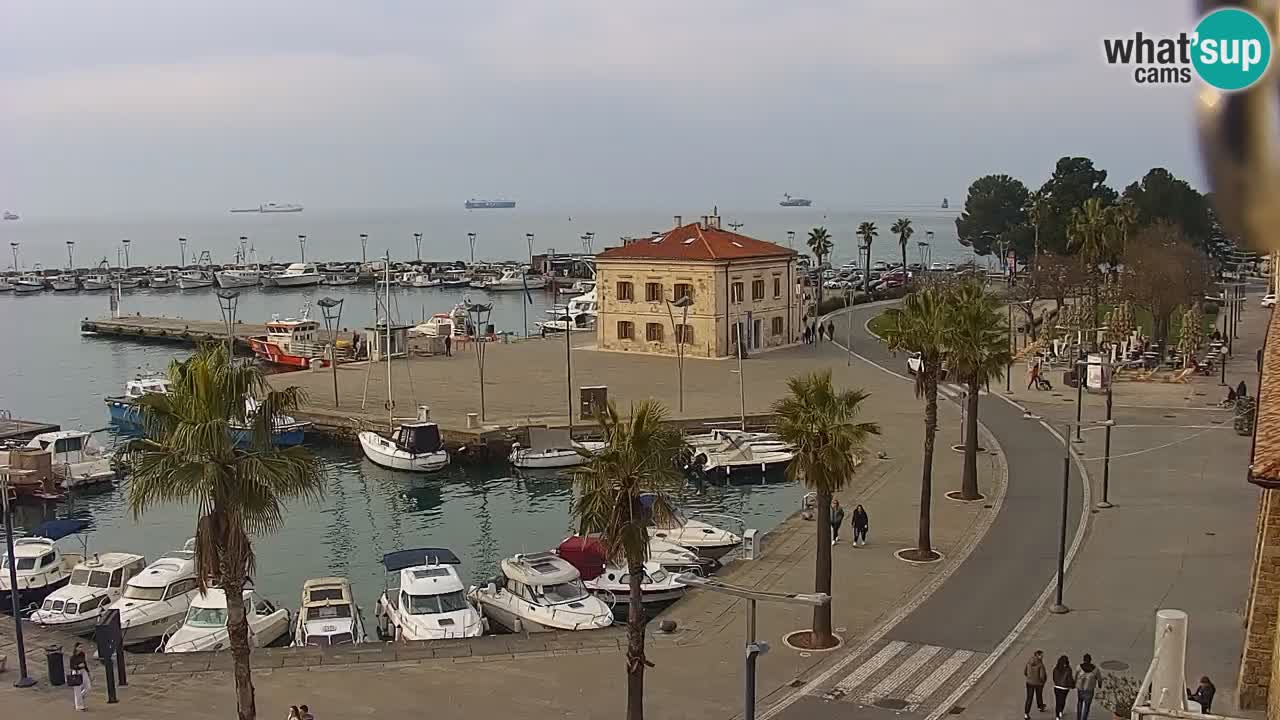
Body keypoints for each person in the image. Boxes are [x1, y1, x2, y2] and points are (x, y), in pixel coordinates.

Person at [1076, 653, 1101, 720]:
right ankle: (1084, 718)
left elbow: (1075, 676)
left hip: (1080, 689)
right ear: (1090, 660)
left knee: (1079, 703)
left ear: (1083, 660)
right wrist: (1099, 685)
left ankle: (1078, 718)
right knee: (1087, 706)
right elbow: (1099, 679)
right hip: (1090, 690)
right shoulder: (1095, 669)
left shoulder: (1079, 667)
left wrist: (1074, 683)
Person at [1024, 650, 1048, 719]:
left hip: (1029, 682)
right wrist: (1043, 681)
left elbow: (1025, 672)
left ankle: (1026, 713)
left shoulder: (1029, 662)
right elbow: (1042, 676)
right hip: (1038, 683)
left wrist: (1029, 677)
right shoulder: (1040, 664)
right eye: (1042, 655)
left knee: (1029, 697)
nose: (1043, 656)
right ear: (1038, 655)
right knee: (1039, 695)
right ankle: (1040, 706)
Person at [1051, 654, 1075, 720]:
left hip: (1056, 687)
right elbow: (1070, 679)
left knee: (1057, 701)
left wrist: (1056, 683)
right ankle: (1061, 711)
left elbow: (1054, 677)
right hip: (1065, 688)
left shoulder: (1056, 668)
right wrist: (1072, 686)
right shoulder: (1068, 669)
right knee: (1063, 700)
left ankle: (1057, 716)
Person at [69, 642, 91, 711]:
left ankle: (81, 696)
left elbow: (85, 663)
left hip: (83, 671)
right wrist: (78, 666)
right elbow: (71, 666)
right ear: (76, 648)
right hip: (76, 672)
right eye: (80, 647)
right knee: (77, 690)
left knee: (88, 686)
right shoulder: (72, 657)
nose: (81, 648)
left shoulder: (82, 654)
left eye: (82, 647)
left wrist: (88, 671)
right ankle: (79, 706)